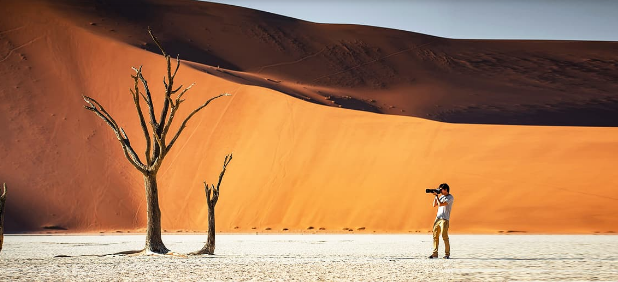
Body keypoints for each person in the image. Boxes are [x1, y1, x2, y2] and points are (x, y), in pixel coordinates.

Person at [429, 183, 454, 259]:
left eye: (441, 189)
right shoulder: (442, 196)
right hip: (438, 218)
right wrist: (436, 196)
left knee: (444, 236)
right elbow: (434, 205)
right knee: (435, 236)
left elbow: (441, 204)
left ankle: (447, 254)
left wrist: (437, 196)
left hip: (444, 219)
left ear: (446, 189)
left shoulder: (450, 197)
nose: (440, 191)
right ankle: (435, 253)